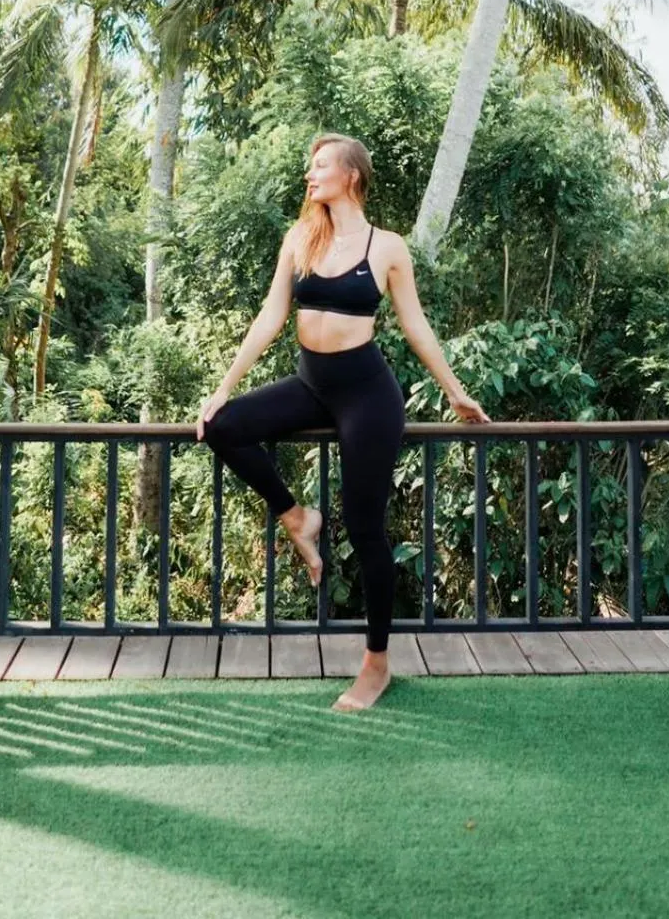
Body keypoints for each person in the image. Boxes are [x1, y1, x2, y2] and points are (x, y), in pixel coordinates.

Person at [196, 131, 490, 713]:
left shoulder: (388, 247)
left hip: (366, 395)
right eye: (311, 166)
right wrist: (223, 388)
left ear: (351, 174)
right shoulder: (301, 237)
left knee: (364, 528)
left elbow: (415, 326)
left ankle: (376, 664)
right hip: (310, 386)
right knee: (223, 426)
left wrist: (455, 392)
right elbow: (271, 316)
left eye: (322, 164)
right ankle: (298, 517)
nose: (310, 174)